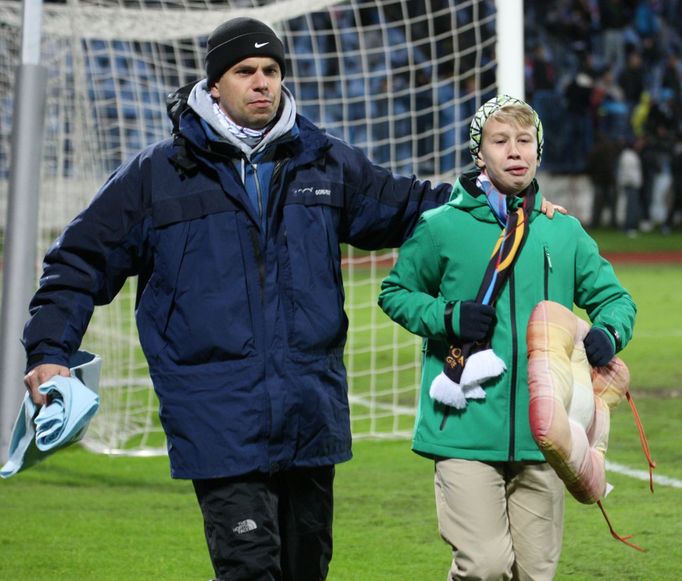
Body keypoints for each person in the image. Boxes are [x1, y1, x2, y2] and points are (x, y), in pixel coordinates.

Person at [20, 19, 563, 581]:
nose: (262, 83)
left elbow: (407, 206)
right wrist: (50, 350)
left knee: (307, 568)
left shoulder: (322, 161)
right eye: (245, 72)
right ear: (213, 87)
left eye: (272, 71)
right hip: (217, 415)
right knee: (251, 569)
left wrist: (503, 197)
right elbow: (78, 262)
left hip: (310, 412)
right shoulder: (157, 176)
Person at [378, 95, 636, 580]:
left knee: (535, 573)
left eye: (524, 141)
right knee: (484, 567)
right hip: (464, 428)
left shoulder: (564, 232)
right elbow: (395, 293)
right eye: (500, 141)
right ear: (480, 154)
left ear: (538, 152)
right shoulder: (440, 228)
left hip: (546, 432)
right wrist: (447, 315)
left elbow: (616, 300)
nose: (514, 151)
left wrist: (609, 330)